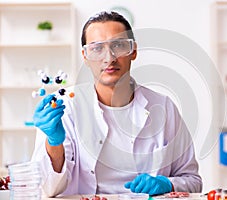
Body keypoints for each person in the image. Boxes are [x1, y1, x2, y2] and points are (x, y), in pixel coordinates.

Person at [31, 11, 202, 197]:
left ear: (133, 51)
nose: (109, 58)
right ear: (85, 56)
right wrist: (54, 143)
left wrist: (168, 184)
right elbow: (47, 189)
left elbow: (193, 181)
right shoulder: (64, 107)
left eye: (119, 46)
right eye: (97, 48)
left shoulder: (164, 107)